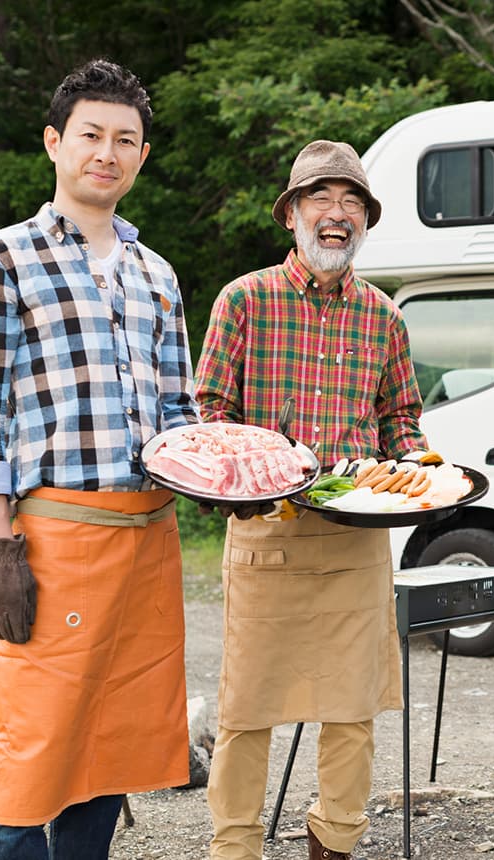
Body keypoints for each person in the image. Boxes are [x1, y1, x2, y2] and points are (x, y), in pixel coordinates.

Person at [0, 59, 195, 858]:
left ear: (142, 157)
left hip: (150, 540)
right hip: (52, 541)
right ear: (56, 142)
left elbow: (182, 417)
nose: (107, 152)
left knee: (110, 744)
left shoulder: (157, 274)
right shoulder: (1, 258)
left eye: (126, 140)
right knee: (27, 751)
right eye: (91, 134)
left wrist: (238, 475)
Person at [194, 139, 426, 860]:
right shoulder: (245, 300)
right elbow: (209, 416)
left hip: (356, 540)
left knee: (352, 711)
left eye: (351, 202)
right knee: (245, 709)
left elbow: (403, 426)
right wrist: (234, 486)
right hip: (269, 532)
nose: (337, 215)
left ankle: (335, 841)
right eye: (321, 199)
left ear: (364, 222)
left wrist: (420, 475)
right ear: (292, 214)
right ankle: (235, 848)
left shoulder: (383, 316)